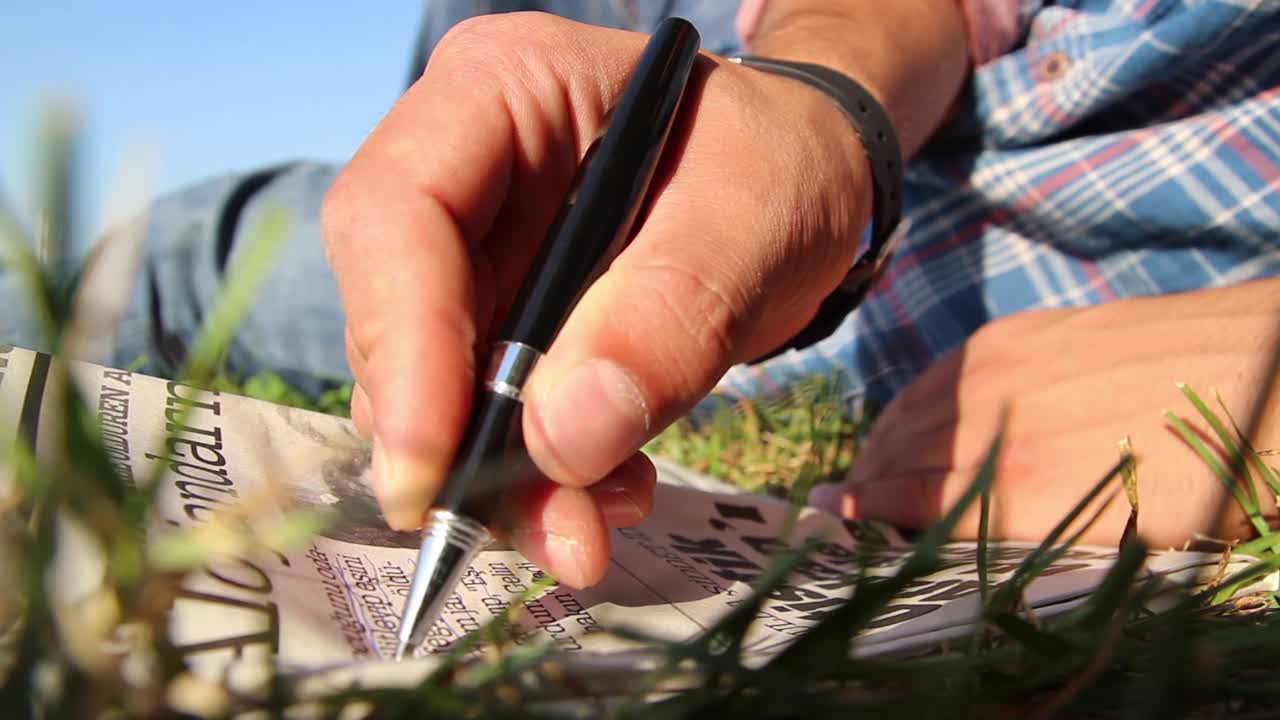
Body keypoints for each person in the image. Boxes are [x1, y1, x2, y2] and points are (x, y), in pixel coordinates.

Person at [3, 1, 1277, 589]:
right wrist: (827, 107)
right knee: (191, 258)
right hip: (699, 148)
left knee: (191, 263)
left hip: (792, 342)